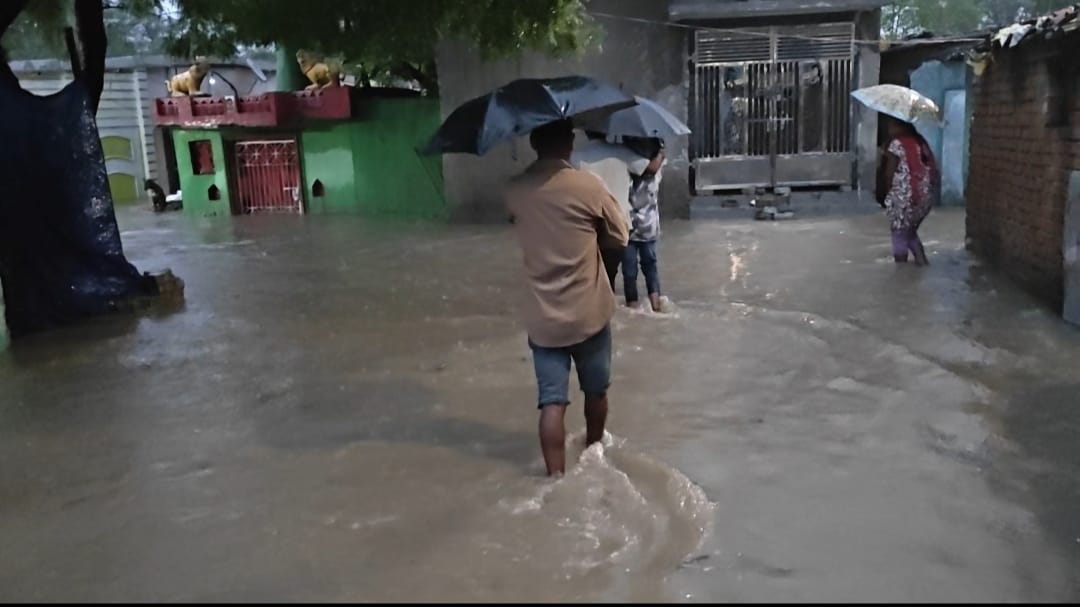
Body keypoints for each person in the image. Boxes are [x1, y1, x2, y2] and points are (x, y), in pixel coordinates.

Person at [505, 120, 630, 477]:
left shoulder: (514, 189)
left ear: (533, 144)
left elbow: (519, 223)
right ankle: (593, 451)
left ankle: (555, 480)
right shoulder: (588, 185)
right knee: (596, 391)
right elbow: (619, 236)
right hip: (588, 311)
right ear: (568, 143)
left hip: (543, 317)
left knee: (551, 403)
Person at [571, 130, 651, 291]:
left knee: (589, 278)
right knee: (610, 274)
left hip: (588, 224)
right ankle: (610, 310)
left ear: (587, 132)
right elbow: (648, 166)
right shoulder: (622, 152)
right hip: (618, 224)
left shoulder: (576, 156)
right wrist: (659, 149)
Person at [877, 116, 940, 265]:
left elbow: (889, 174)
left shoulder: (896, 144)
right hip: (924, 198)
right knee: (909, 232)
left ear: (899, 125)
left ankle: (900, 271)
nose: (888, 129)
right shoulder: (920, 141)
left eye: (891, 125)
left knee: (898, 233)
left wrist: (887, 195)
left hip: (904, 197)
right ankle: (922, 262)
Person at [623, 142, 666, 312]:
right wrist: (661, 150)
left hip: (631, 228)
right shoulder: (655, 168)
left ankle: (633, 308)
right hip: (641, 229)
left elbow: (653, 166)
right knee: (647, 268)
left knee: (630, 271)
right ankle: (654, 306)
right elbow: (655, 165)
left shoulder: (630, 166)